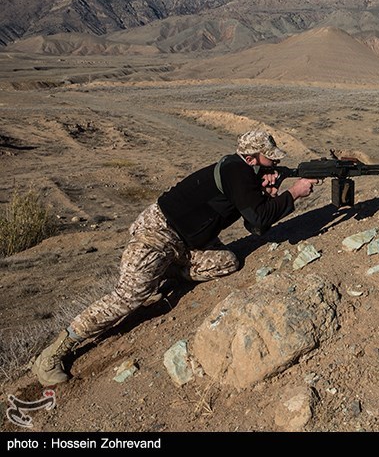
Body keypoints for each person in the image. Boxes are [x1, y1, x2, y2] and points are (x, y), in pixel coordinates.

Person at [31, 130, 319, 386]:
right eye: (270, 159)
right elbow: (258, 219)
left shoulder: (246, 173)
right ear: (253, 158)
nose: (276, 163)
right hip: (157, 233)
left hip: (186, 244)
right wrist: (294, 193)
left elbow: (255, 226)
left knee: (228, 262)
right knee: (129, 296)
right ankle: (59, 349)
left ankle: (168, 271)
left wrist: (270, 194)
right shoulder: (236, 172)